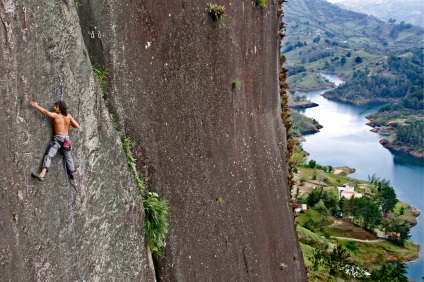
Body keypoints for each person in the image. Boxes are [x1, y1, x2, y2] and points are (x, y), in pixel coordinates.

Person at [30, 101, 80, 181]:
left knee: (49, 155)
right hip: (66, 140)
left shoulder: (56, 115)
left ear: (60, 109)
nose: (54, 108)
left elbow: (46, 113)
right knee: (68, 156)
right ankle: (73, 173)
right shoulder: (68, 116)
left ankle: (42, 174)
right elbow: (77, 126)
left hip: (58, 139)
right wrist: (68, 124)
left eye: (56, 107)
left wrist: (36, 106)